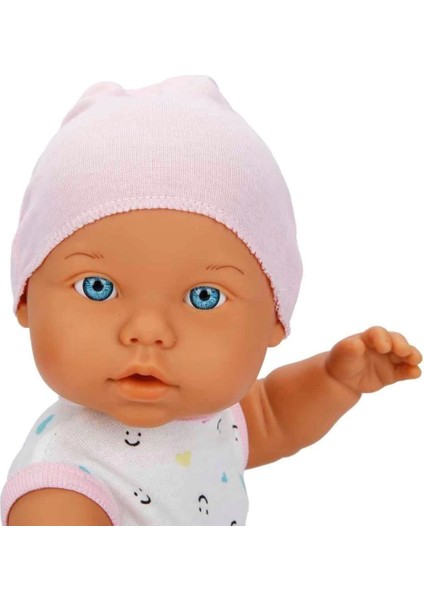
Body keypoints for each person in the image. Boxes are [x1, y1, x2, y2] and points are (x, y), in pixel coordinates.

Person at [1, 75, 421, 526]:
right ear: (26, 298)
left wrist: (333, 381)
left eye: (204, 297)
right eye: (96, 287)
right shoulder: (61, 497)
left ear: (275, 317)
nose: (148, 330)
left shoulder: (209, 421)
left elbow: (272, 418)